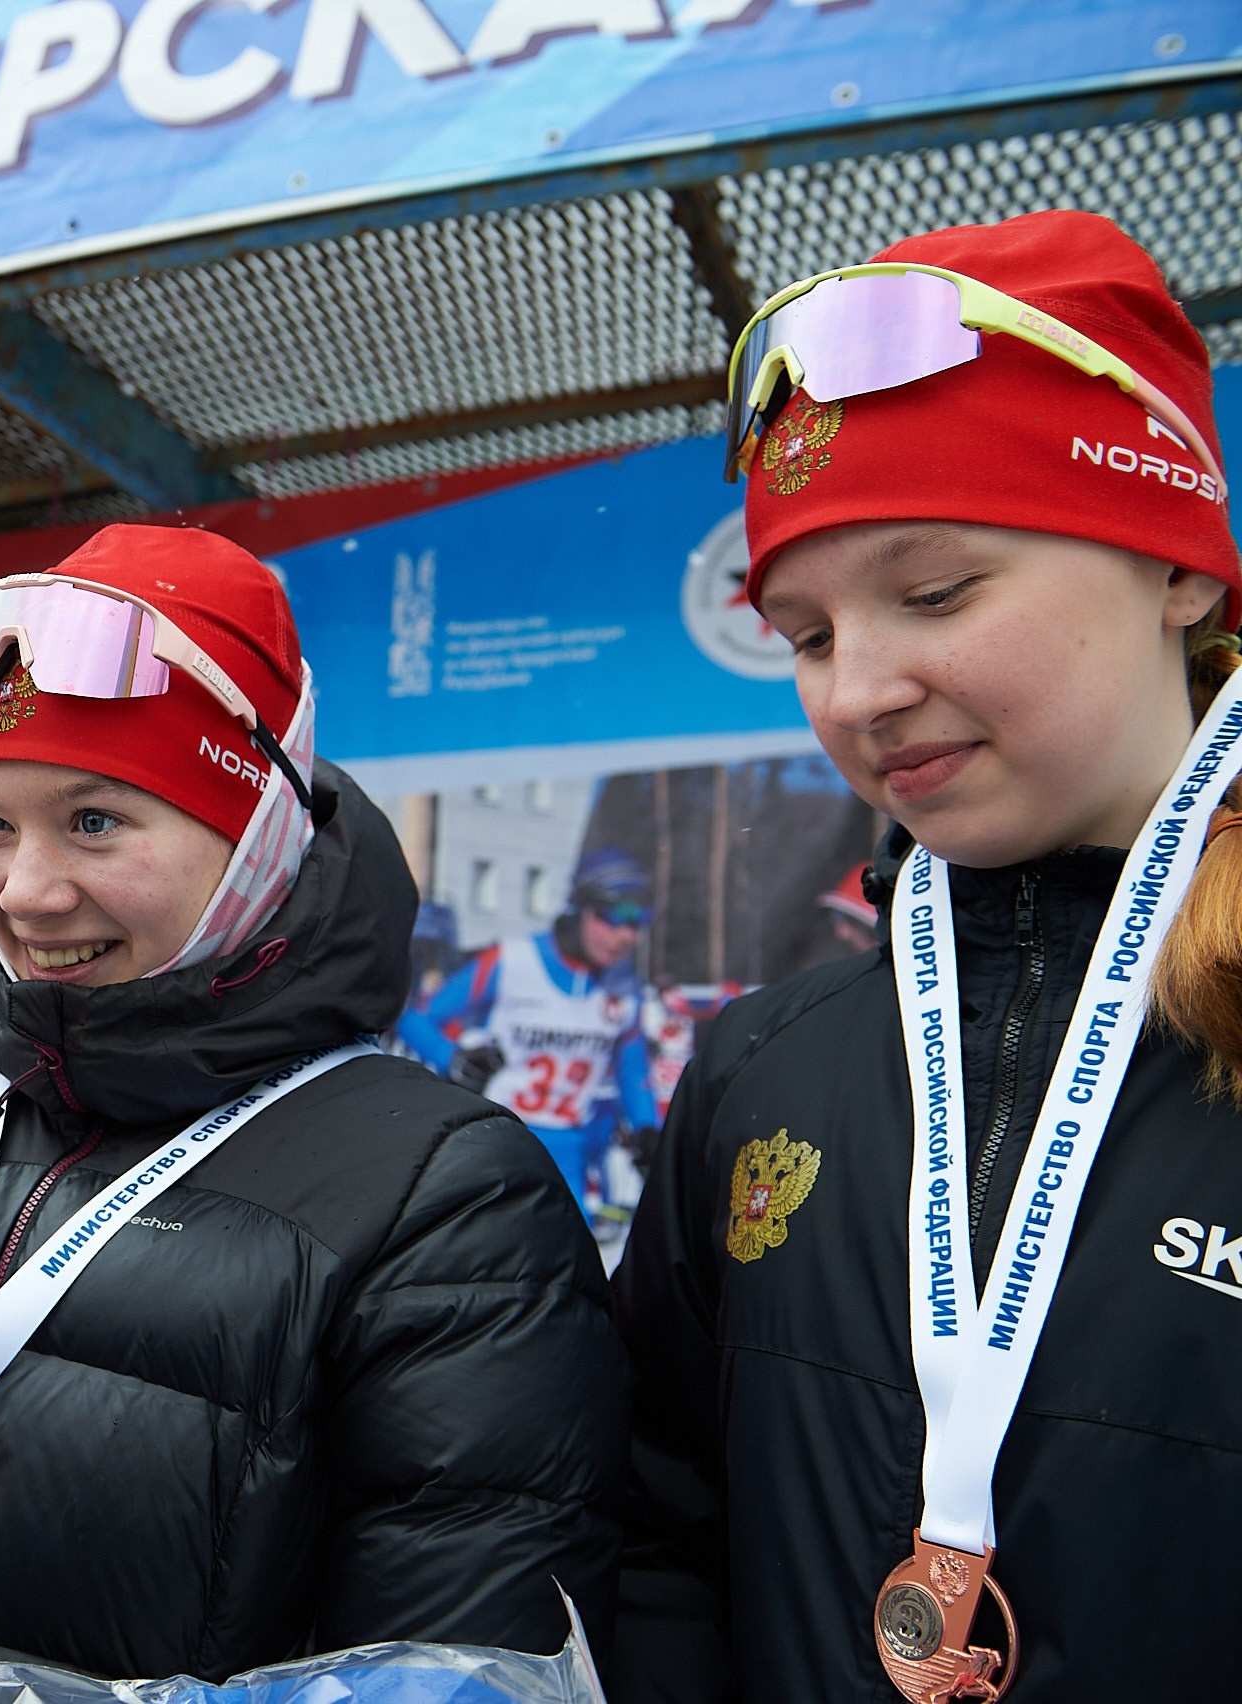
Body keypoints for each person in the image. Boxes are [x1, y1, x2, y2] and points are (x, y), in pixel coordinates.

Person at [0, 525, 624, 1682]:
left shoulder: (442, 1196)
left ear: (254, 835)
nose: (25, 890)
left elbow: (450, 1668)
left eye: (96, 820)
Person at [612, 211, 1242, 1703]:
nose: (863, 692)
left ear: (1179, 568)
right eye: (808, 634)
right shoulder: (765, 1063)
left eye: (938, 591)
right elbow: (658, 1534)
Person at [398, 849, 659, 1220]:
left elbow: (633, 1071)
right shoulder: (512, 960)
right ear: (580, 907)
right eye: (613, 916)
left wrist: (649, 1131)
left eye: (639, 922)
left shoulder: (623, 988)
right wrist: (452, 1058)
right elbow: (416, 1019)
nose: (625, 935)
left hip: (569, 1155)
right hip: (498, 1142)